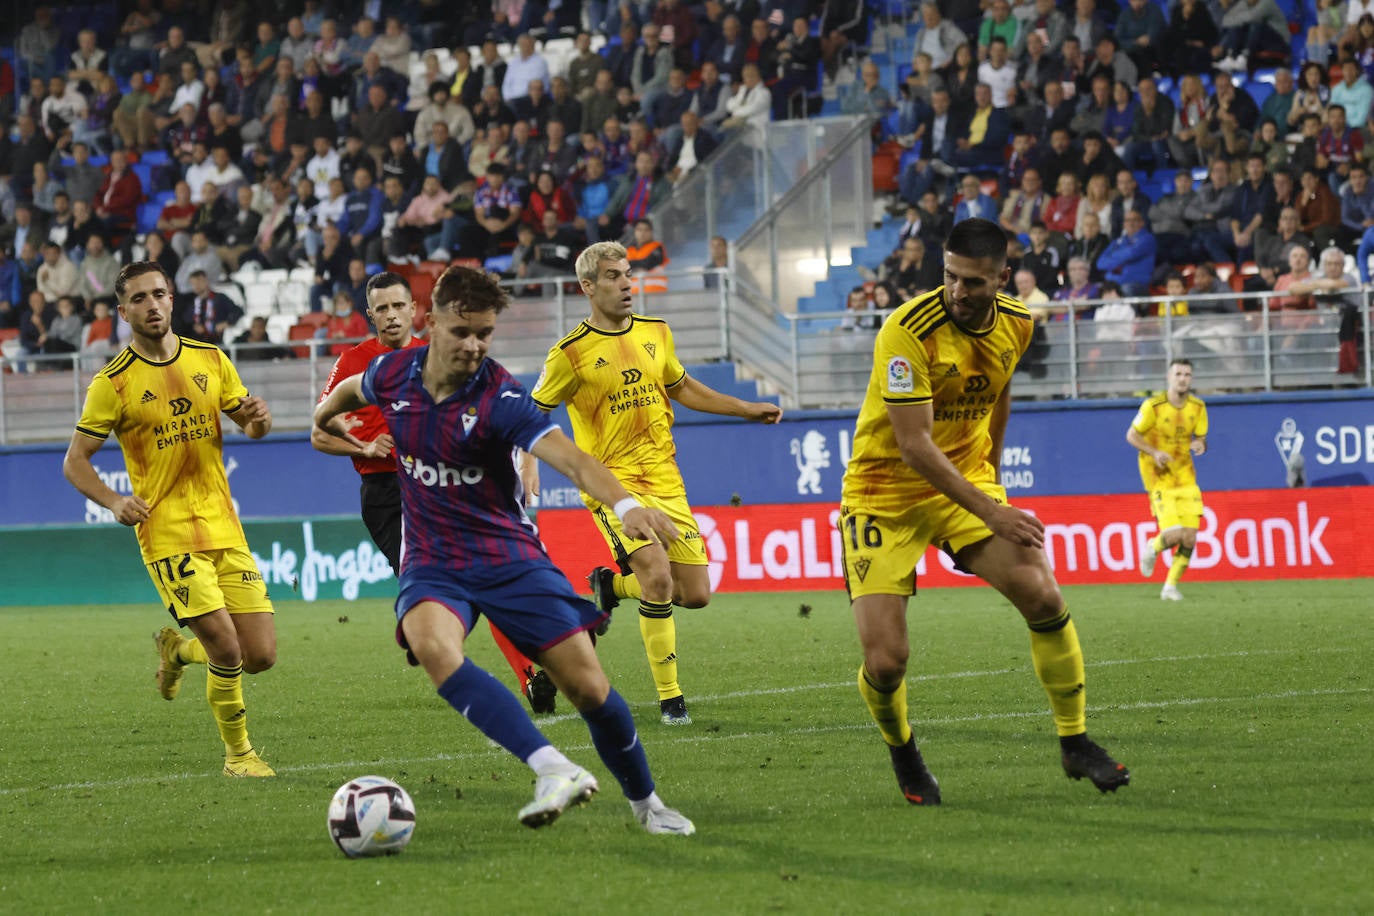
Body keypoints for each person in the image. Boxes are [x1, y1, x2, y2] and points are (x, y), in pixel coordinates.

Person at [312, 265, 695, 835]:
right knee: (431, 643)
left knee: (589, 688)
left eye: (484, 334)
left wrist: (624, 506)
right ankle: (551, 769)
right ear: (434, 320)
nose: (473, 346)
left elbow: (575, 460)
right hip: (434, 558)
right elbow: (342, 397)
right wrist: (329, 422)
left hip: (505, 554)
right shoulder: (390, 373)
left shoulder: (501, 395)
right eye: (462, 331)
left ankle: (648, 804)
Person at [840, 218, 1129, 806]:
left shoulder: (1018, 323)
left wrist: (990, 474)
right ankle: (904, 751)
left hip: (964, 483)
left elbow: (997, 391)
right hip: (882, 493)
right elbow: (915, 447)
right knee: (887, 660)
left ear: (1001, 277)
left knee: (1044, 596)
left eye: (971, 281)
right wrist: (993, 512)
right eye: (949, 276)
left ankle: (1075, 743)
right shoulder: (906, 331)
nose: (956, 290)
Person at [531, 242, 783, 725]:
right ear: (588, 287)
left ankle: (611, 587)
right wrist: (530, 462)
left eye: (628, 274)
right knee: (660, 576)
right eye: (612, 277)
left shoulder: (656, 333)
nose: (627, 284)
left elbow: (682, 388)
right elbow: (534, 412)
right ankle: (672, 702)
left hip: (666, 477)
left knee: (695, 594)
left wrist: (745, 408)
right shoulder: (569, 354)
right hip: (613, 484)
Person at [61, 261, 277, 778]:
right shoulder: (112, 383)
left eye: (159, 293)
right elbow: (75, 460)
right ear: (123, 311)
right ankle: (239, 755)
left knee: (260, 655)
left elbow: (249, 424)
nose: (151, 304)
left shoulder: (211, 359)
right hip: (167, 533)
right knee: (226, 647)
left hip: (224, 524)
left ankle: (177, 651)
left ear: (172, 298)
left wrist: (259, 421)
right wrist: (114, 502)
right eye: (139, 298)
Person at [311, 272, 556, 714]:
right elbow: (318, 433)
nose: (390, 315)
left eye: (397, 306)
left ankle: (530, 675)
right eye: (381, 308)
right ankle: (438, 642)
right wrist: (364, 445)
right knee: (439, 589)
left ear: (414, 310)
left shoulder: (438, 357)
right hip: (387, 491)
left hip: (442, 479)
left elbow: (489, 408)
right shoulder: (353, 363)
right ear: (370, 315)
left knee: (483, 573)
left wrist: (523, 455)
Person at [1128, 359, 1208, 602]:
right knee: (1173, 535)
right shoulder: (1154, 406)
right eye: (1178, 373)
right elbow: (1131, 435)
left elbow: (1202, 439)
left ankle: (1170, 587)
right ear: (1169, 377)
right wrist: (1154, 452)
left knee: (1190, 537)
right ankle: (1152, 548)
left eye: (1187, 374)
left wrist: (1200, 445)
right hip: (1159, 479)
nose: (1183, 378)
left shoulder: (1198, 407)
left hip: (1186, 478)